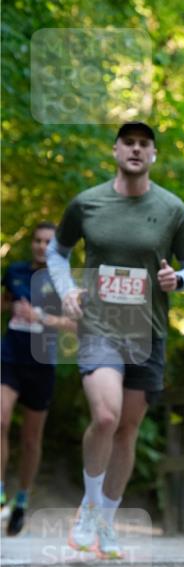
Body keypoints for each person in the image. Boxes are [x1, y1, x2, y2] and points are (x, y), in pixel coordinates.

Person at [47, 122, 184, 559]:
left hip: (148, 332)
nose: (136, 149)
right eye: (129, 143)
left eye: (144, 144)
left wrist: (181, 279)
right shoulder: (88, 203)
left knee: (128, 429)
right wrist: (65, 291)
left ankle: (107, 522)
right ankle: (88, 510)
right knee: (105, 416)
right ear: (115, 150)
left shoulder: (172, 209)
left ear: (153, 155)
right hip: (99, 326)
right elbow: (56, 253)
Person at [1, 223, 75, 536]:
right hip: (10, 357)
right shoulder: (15, 271)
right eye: (37, 240)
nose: (41, 246)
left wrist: (41, 317)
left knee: (32, 439)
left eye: (48, 241)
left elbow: (74, 325)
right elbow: (4, 301)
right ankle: (0, 490)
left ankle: (21, 499)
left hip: (42, 363)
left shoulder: (63, 281)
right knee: (1, 420)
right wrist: (11, 306)